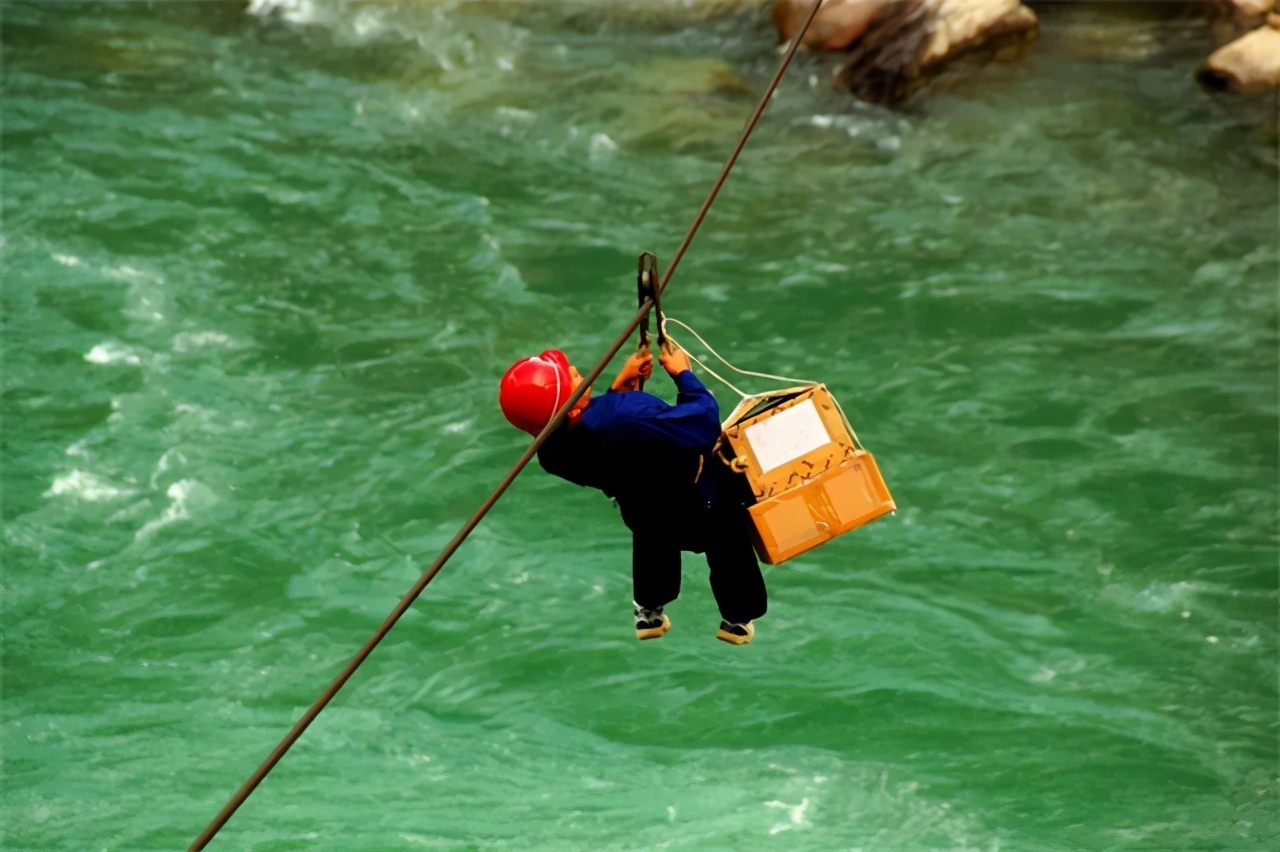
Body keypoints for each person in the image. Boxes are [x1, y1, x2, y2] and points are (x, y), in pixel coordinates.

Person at [498, 342, 767, 644]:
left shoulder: (551, 454)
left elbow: (600, 436)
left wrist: (616, 392)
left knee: (653, 548)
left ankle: (649, 613)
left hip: (644, 512)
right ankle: (737, 620)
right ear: (572, 407)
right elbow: (702, 425)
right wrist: (684, 376)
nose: (576, 371)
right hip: (701, 504)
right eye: (572, 378)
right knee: (730, 549)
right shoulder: (628, 415)